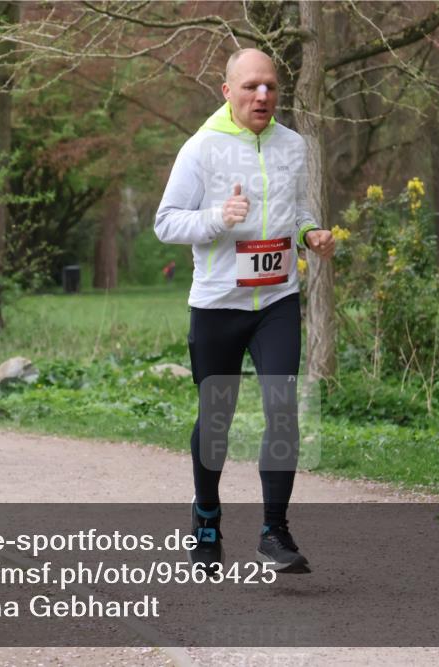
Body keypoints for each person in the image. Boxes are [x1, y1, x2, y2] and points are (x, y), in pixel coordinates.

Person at [155, 48, 335, 574]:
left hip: (277, 298)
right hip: (217, 305)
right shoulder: (201, 149)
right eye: (252, 86)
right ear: (226, 90)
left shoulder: (293, 145)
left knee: (282, 410)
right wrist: (216, 217)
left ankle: (273, 531)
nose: (263, 96)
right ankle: (207, 517)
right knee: (217, 420)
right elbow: (166, 223)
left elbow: (297, 208)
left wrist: (309, 233)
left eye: (272, 87)